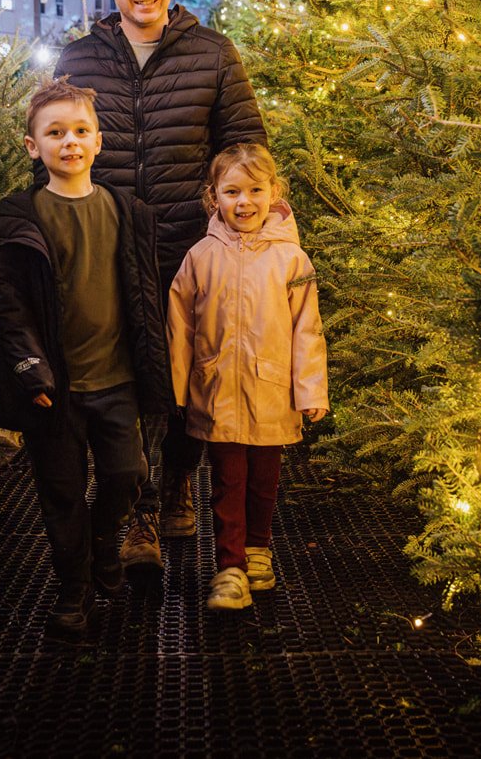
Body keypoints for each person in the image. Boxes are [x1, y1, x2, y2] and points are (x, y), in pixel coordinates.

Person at [54, 0, 267, 572]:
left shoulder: (213, 55)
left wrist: (255, 234)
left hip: (192, 247)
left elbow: (246, 149)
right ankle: (139, 512)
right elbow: (55, 152)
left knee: (187, 382)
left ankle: (178, 483)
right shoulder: (80, 61)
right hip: (110, 248)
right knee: (124, 384)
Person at [0, 79, 173, 636]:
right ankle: (73, 587)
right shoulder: (21, 219)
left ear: (99, 141)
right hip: (54, 389)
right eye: (54, 133)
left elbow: (142, 293)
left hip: (117, 379)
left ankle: (106, 542)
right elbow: (8, 306)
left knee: (126, 475)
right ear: (33, 147)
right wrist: (30, 368)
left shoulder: (125, 211)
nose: (69, 142)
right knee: (60, 492)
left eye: (80, 131)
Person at [167, 144, 328, 611]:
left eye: (255, 190)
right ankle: (230, 568)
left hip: (273, 390)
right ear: (213, 197)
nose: (244, 202)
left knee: (264, 480)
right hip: (217, 391)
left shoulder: (292, 260)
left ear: (273, 193)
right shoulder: (200, 257)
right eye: (232, 191)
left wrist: (311, 390)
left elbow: (307, 328)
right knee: (226, 479)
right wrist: (179, 388)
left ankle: (258, 550)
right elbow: (181, 326)